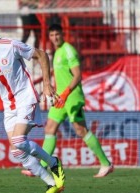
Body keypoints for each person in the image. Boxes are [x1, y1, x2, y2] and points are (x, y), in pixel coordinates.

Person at [0, 17, 65, 193]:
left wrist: (47, 84)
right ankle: (51, 184)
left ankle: (53, 162)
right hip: (8, 104)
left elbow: (42, 54)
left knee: (19, 141)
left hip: (26, 97)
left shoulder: (11, 46)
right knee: (17, 151)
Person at [21, 23, 114, 178]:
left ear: (62, 34)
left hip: (72, 97)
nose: (55, 37)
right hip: (60, 98)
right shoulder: (57, 53)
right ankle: (42, 167)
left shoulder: (68, 50)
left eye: (57, 34)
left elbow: (77, 75)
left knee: (80, 130)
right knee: (50, 128)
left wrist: (65, 94)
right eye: (52, 35)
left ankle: (106, 164)